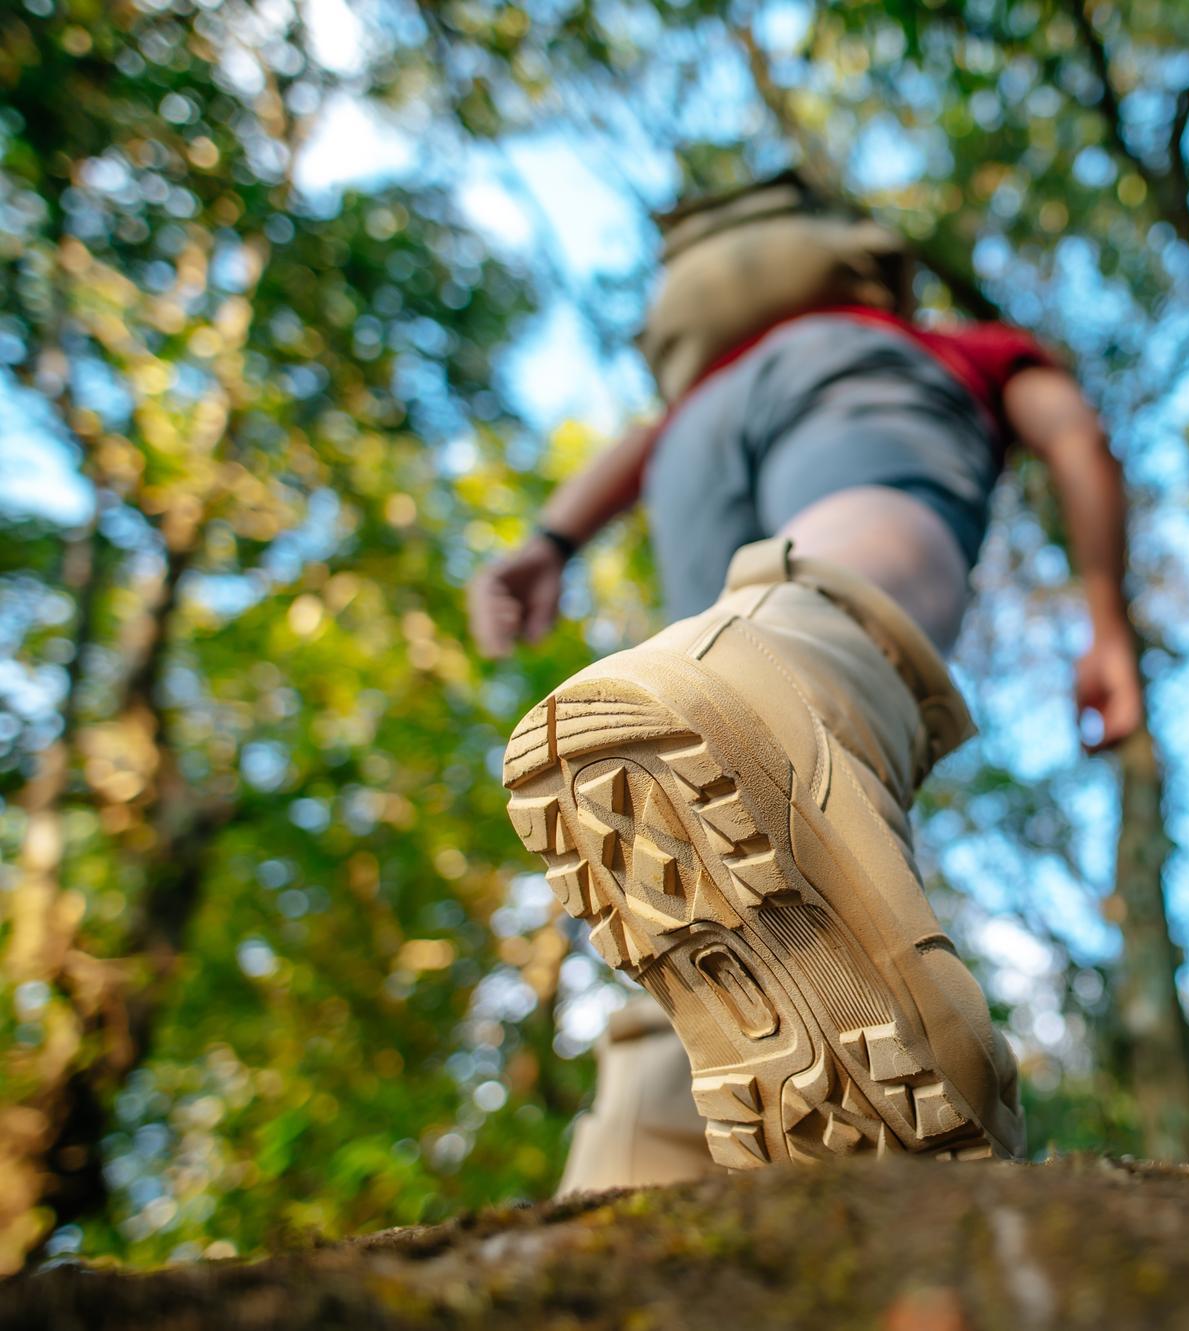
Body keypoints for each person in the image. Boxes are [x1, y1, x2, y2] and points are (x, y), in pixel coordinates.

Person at [468, 177, 1140, 1183]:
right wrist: (1106, 620)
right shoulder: (950, 342)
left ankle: (643, 1142)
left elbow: (641, 442)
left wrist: (549, 539)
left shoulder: (700, 383)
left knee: (706, 684)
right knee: (829, 595)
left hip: (689, 451)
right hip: (853, 380)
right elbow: (1075, 438)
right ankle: (797, 676)